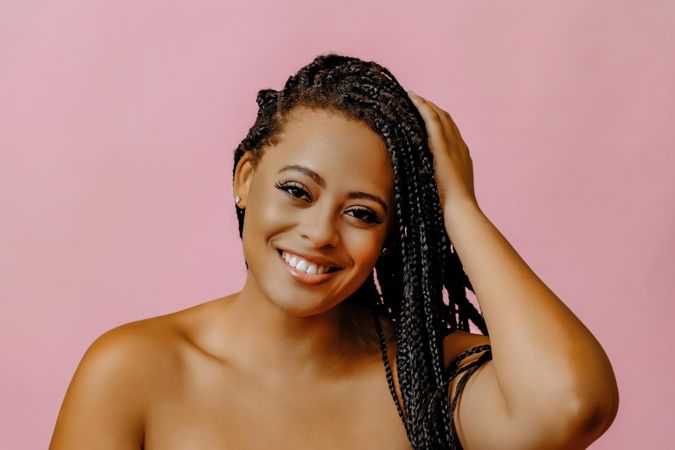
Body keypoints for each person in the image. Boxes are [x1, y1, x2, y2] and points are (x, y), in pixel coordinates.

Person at [49, 53, 619, 449]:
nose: (321, 233)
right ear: (246, 177)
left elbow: (574, 406)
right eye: (297, 191)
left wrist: (458, 208)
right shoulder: (132, 370)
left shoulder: (425, 379)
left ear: (390, 233)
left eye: (361, 213)